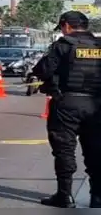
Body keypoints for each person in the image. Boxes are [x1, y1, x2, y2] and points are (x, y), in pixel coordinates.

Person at [32, 10, 101, 207]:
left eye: (62, 28)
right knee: (96, 151)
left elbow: (41, 70)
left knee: (64, 151)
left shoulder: (62, 45)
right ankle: (97, 197)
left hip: (66, 105)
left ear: (66, 26)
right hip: (97, 106)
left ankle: (65, 196)